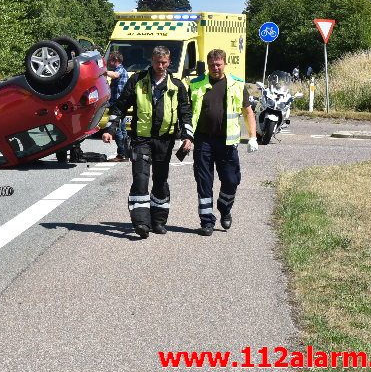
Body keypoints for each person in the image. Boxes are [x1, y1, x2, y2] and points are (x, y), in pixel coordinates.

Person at [102, 46, 193, 238]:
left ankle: (158, 221)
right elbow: (120, 106)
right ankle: (141, 222)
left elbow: (185, 113)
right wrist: (110, 129)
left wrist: (188, 136)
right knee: (141, 178)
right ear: (151, 60)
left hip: (165, 140)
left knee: (160, 181)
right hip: (141, 139)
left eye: (164, 63)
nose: (160, 66)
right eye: (157, 62)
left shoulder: (177, 85)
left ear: (169, 63)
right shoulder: (137, 80)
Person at [189, 49, 258, 236]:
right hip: (203, 140)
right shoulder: (196, 84)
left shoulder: (236, 84)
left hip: (227, 141)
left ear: (225, 64)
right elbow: (188, 112)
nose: (215, 68)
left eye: (218, 64)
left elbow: (248, 112)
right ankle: (206, 221)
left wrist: (252, 136)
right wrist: (186, 137)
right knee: (204, 181)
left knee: (231, 180)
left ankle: (225, 207)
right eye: (211, 65)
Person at [105, 51, 129, 161]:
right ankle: (125, 153)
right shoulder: (120, 69)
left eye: (110, 60)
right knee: (123, 130)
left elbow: (115, 75)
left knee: (118, 129)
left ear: (116, 60)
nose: (109, 62)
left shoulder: (120, 69)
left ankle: (122, 154)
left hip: (118, 105)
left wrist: (103, 72)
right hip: (120, 104)